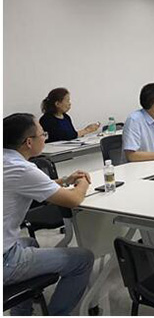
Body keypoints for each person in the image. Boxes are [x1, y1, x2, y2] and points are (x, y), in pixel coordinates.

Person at [3, 113, 94, 316]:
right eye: (42, 134)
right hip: (5, 260)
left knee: (30, 243)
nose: (45, 137)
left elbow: (32, 185)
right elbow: (73, 200)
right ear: (29, 142)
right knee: (83, 259)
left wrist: (64, 180)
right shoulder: (22, 168)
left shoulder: (7, 161)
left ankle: (22, 313)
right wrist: (83, 182)